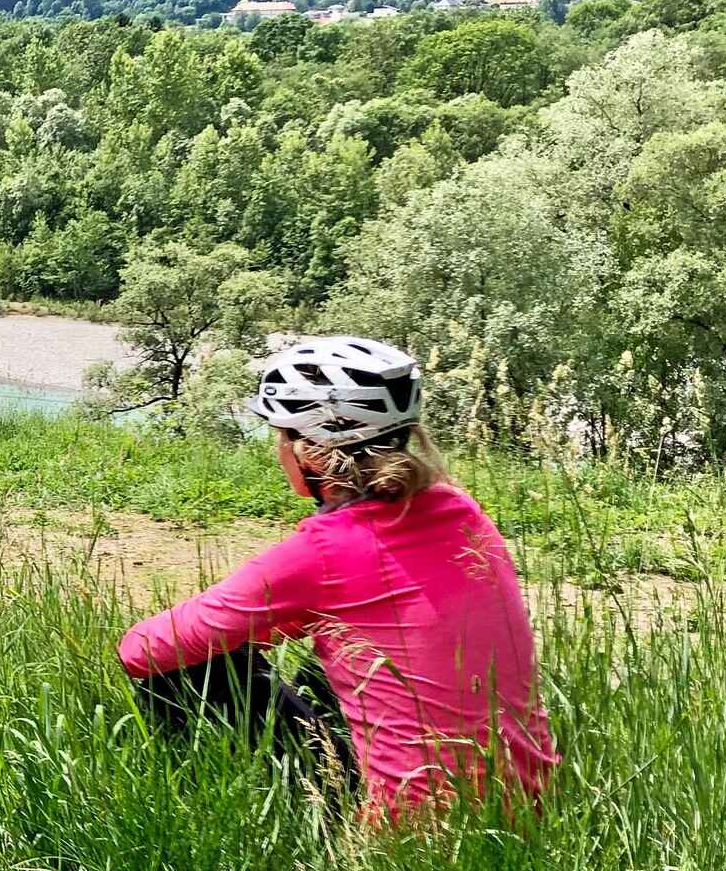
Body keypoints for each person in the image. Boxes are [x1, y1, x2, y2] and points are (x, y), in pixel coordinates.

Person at [118, 336, 556, 819]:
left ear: (310, 452)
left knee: (183, 670)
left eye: (282, 435)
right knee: (334, 647)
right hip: (525, 809)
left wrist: (248, 639)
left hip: (408, 835)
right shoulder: (462, 511)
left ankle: (239, 814)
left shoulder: (323, 551)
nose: (280, 451)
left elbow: (142, 650)